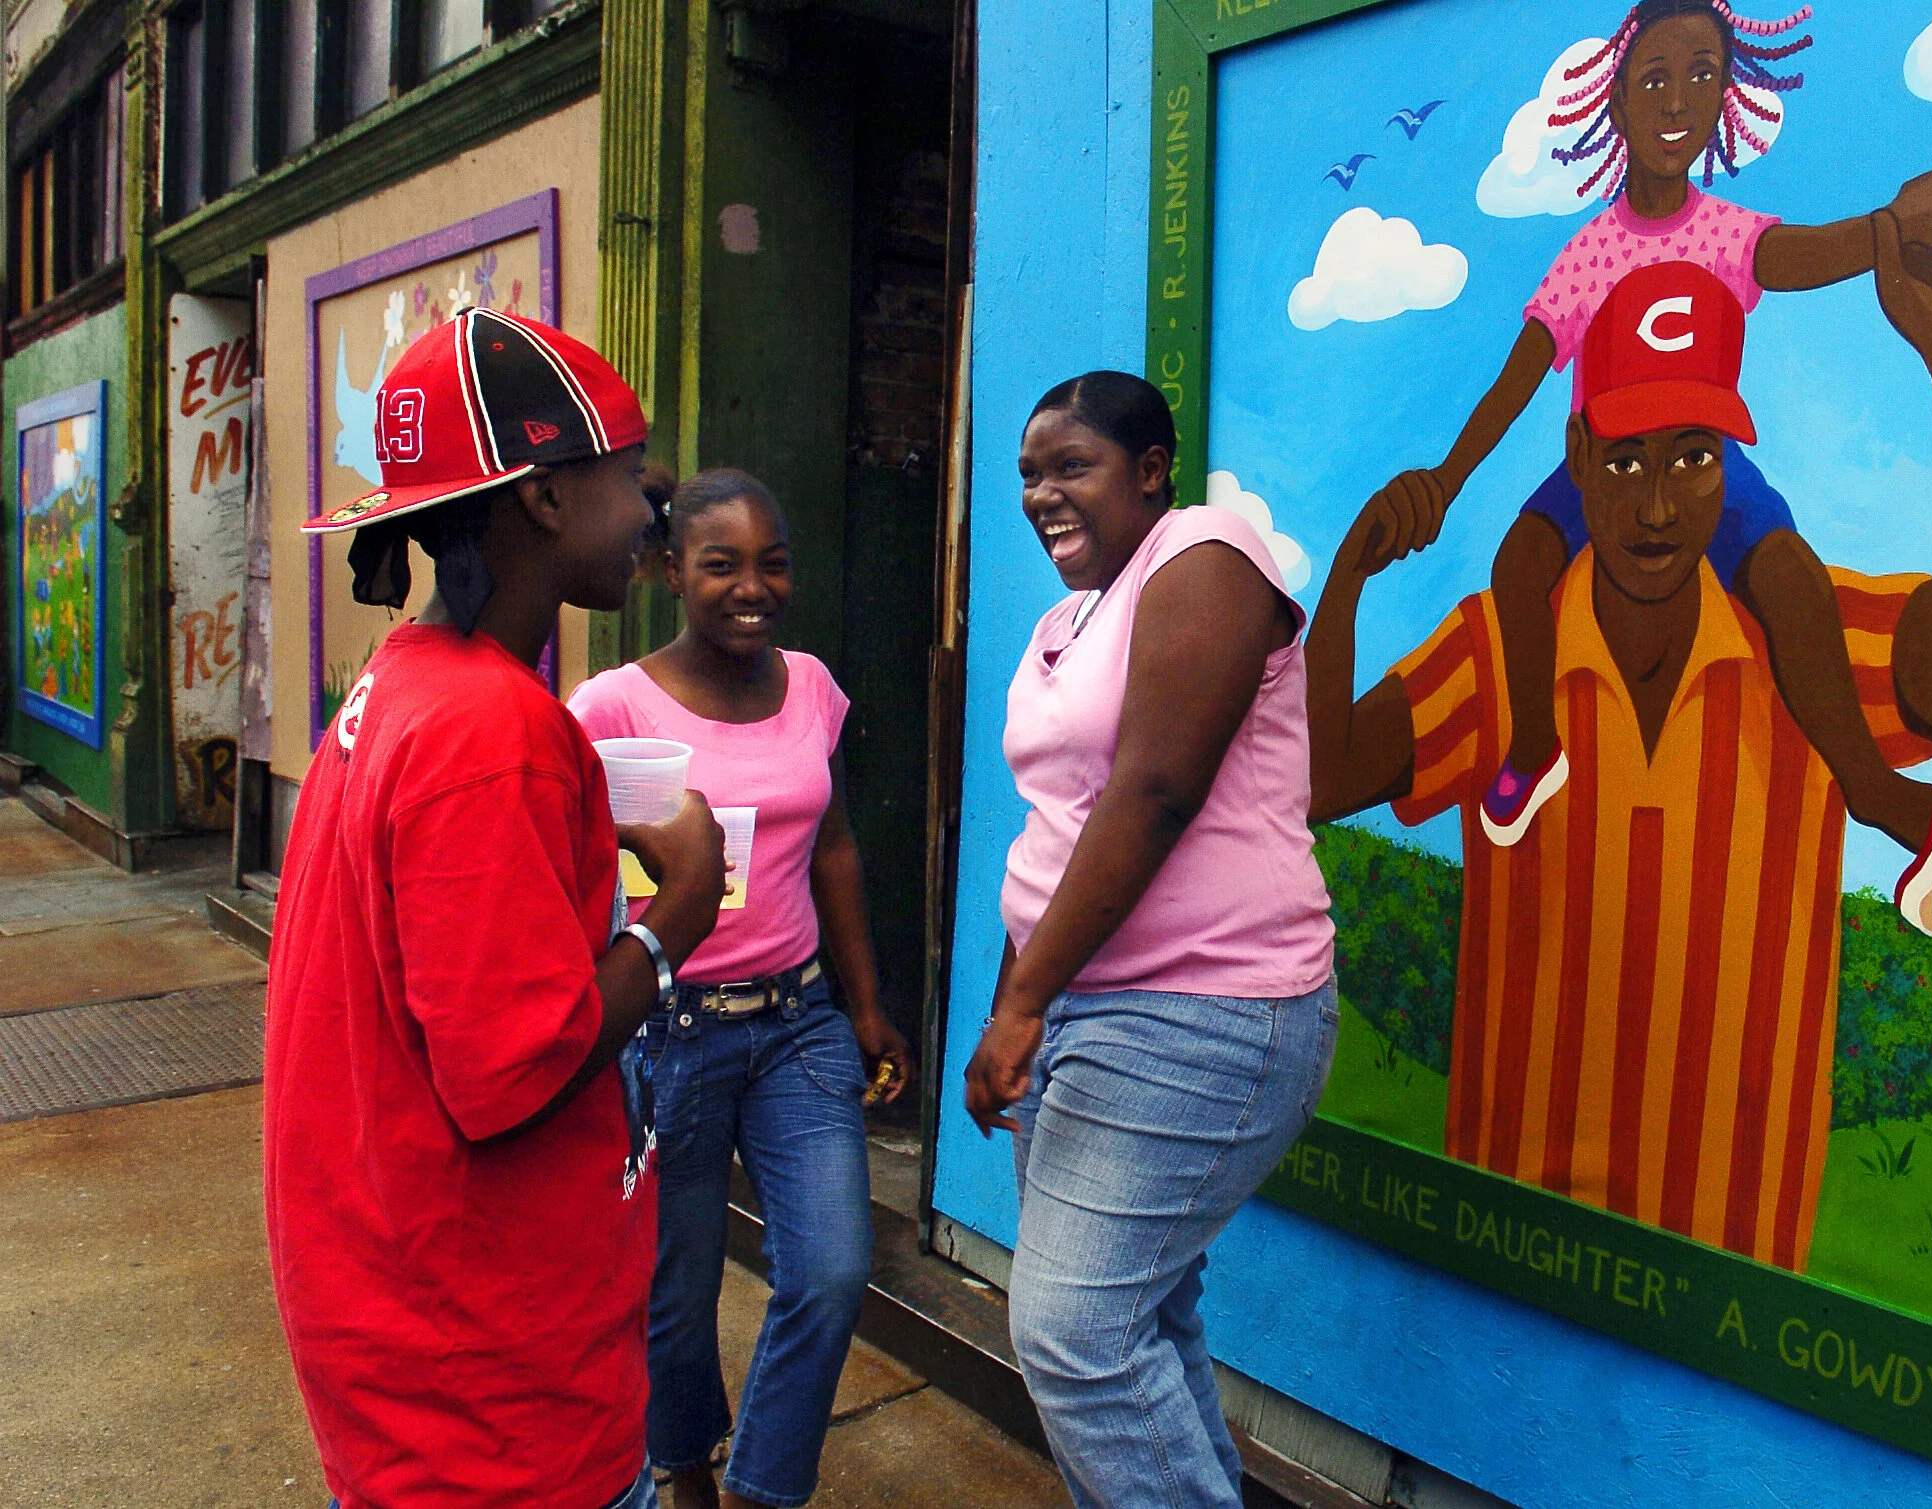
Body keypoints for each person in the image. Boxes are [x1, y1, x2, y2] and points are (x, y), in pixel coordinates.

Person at [1306, 224, 1932, 1268]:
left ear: (1730, 464)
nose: (1658, 504)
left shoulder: (1807, 656)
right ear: (1575, 458)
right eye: (1623, 460)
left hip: (1736, 1278)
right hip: (1506, 1261)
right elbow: (1312, 782)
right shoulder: (1494, 656)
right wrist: (1344, 587)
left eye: (1692, 457)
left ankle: (1903, 809)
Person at [1373, 0, 1932, 935]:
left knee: (1792, 582)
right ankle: (1532, 746)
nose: (1678, 97)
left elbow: (1805, 256)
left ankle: (1894, 803)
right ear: (1617, 100)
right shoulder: (1591, 253)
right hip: (1598, 469)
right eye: (1654, 78)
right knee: (1518, 565)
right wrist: (1445, 479)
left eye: (1700, 74)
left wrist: (1893, 229)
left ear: (1727, 94)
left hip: (1704, 464)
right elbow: (1518, 378)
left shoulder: (1724, 233)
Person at [264, 308, 728, 1509]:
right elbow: (515, 1075)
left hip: (407, 1334)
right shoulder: (492, 732)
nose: (648, 516)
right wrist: (671, 916)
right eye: (629, 478)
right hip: (489, 1403)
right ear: (541, 497)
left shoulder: (407, 682)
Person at [962, 371, 1338, 1508]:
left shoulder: (1208, 559)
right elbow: (1060, 829)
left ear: (1150, 470)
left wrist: (1024, 1004)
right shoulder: (1064, 621)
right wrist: (1013, 1003)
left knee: (1075, 1332)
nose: (1042, 494)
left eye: (1069, 466)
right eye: (1028, 473)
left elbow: (1157, 788)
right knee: (1138, 1319)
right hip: (1080, 1008)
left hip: (1205, 1009)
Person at [569, 468, 913, 1509]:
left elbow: (835, 850)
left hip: (796, 1022)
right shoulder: (610, 706)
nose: (750, 587)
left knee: (830, 1271)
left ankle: (763, 1486)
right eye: (720, 564)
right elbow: (571, 875)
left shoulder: (809, 684)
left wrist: (862, 1004)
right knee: (673, 1293)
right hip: (665, 1031)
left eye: (772, 563)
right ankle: (682, 1472)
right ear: (671, 569)